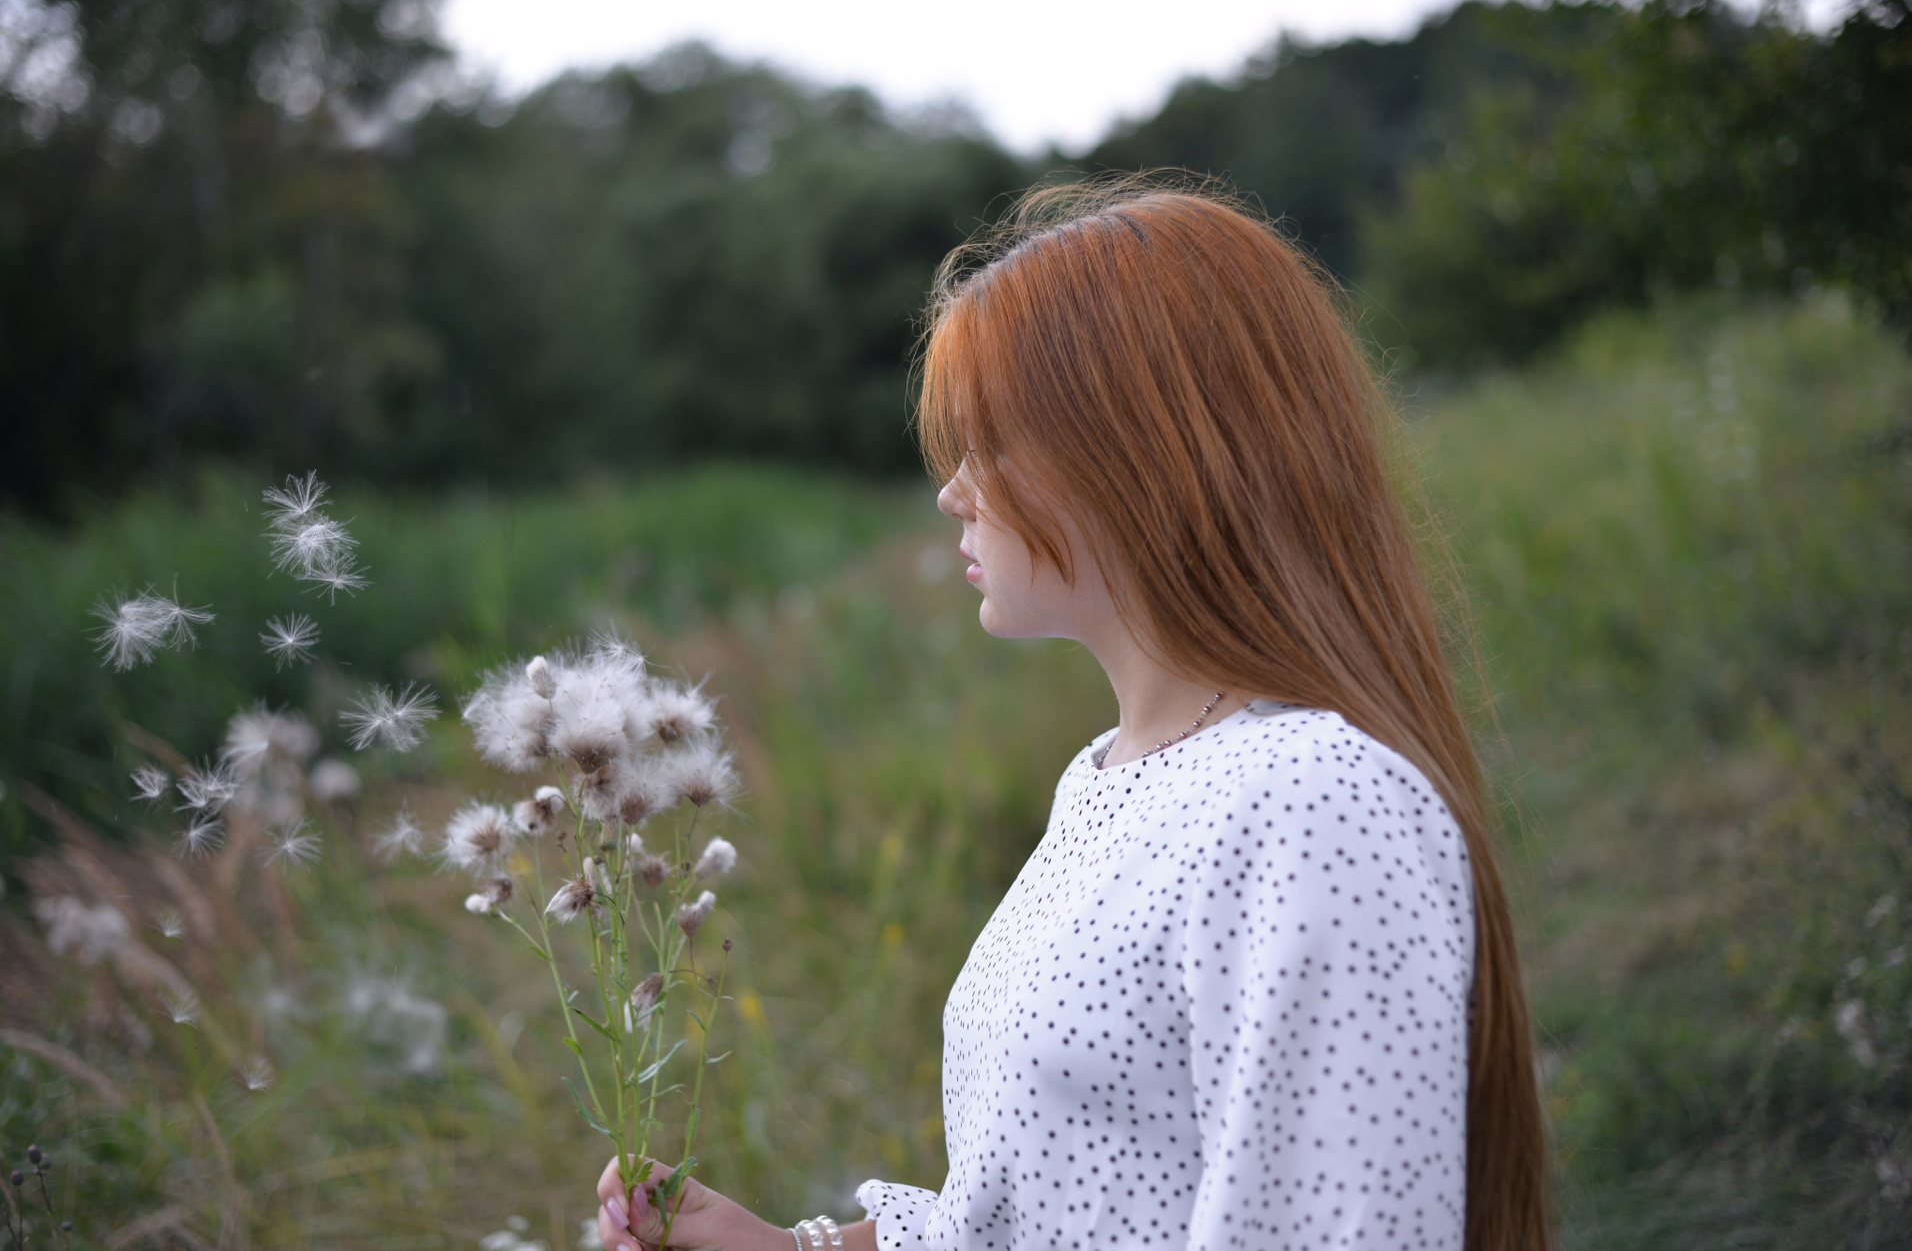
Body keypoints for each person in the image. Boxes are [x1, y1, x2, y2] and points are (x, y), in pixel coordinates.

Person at [596, 177, 1550, 1251]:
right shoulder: (1109, 777)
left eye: (990, 443)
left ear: (1145, 454)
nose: (954, 491)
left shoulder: (1313, 802)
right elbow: (1053, 1211)